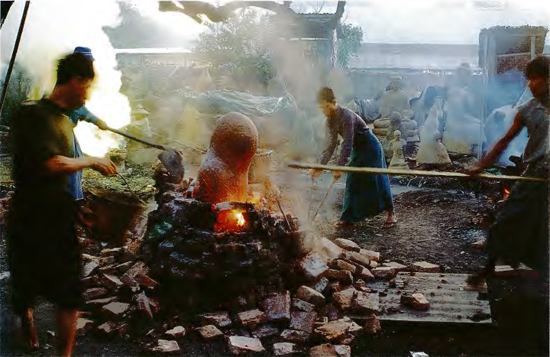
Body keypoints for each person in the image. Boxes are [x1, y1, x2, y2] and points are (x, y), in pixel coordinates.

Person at [6, 52, 117, 357]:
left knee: (70, 293)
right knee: (25, 284)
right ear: (75, 80)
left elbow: (62, 179)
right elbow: (50, 163)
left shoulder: (67, 119)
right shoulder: (33, 115)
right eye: (88, 86)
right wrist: (91, 160)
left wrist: (78, 210)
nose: (88, 93)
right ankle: (27, 318)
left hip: (59, 218)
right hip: (28, 217)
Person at [466, 55, 549, 284]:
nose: (530, 84)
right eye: (528, 79)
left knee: (543, 229)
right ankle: (488, 269)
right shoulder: (527, 110)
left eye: (536, 79)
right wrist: (481, 165)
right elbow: (504, 141)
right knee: (505, 219)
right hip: (534, 175)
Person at [312, 87, 396, 227]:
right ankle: (348, 217)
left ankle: (391, 213)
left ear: (334, 102)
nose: (324, 111)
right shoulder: (329, 121)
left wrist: (339, 167)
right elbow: (330, 145)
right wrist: (319, 166)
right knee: (352, 180)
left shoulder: (347, 116)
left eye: (325, 107)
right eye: (321, 109)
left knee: (378, 178)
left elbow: (347, 143)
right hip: (358, 150)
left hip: (371, 148)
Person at [69, 46, 108, 201]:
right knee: (71, 168)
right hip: (63, 138)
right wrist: (98, 121)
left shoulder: (74, 78)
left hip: (67, 135)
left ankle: (74, 198)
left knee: (75, 166)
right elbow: (77, 108)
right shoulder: (74, 81)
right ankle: (73, 200)